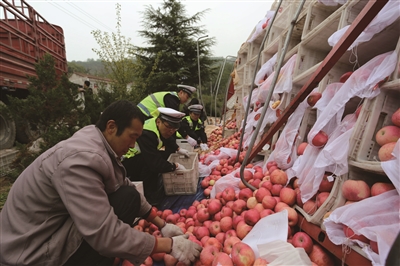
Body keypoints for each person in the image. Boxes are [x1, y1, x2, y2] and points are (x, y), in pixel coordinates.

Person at [0, 100, 201, 266]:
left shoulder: (99, 144)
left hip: (52, 228)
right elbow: (105, 233)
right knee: (109, 231)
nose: (133, 145)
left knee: (128, 196)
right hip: (31, 252)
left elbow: (125, 184)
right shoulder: (79, 162)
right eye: (132, 137)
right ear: (112, 127)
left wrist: (162, 224)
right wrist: (169, 245)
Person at [122, 107, 190, 205]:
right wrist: (174, 166)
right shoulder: (147, 133)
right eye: (169, 127)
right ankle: (148, 197)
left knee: (161, 156)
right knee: (151, 164)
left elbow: (167, 138)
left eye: (174, 128)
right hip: (127, 162)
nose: (171, 131)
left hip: (139, 157)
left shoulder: (159, 127)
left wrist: (178, 149)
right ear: (158, 122)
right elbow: (153, 163)